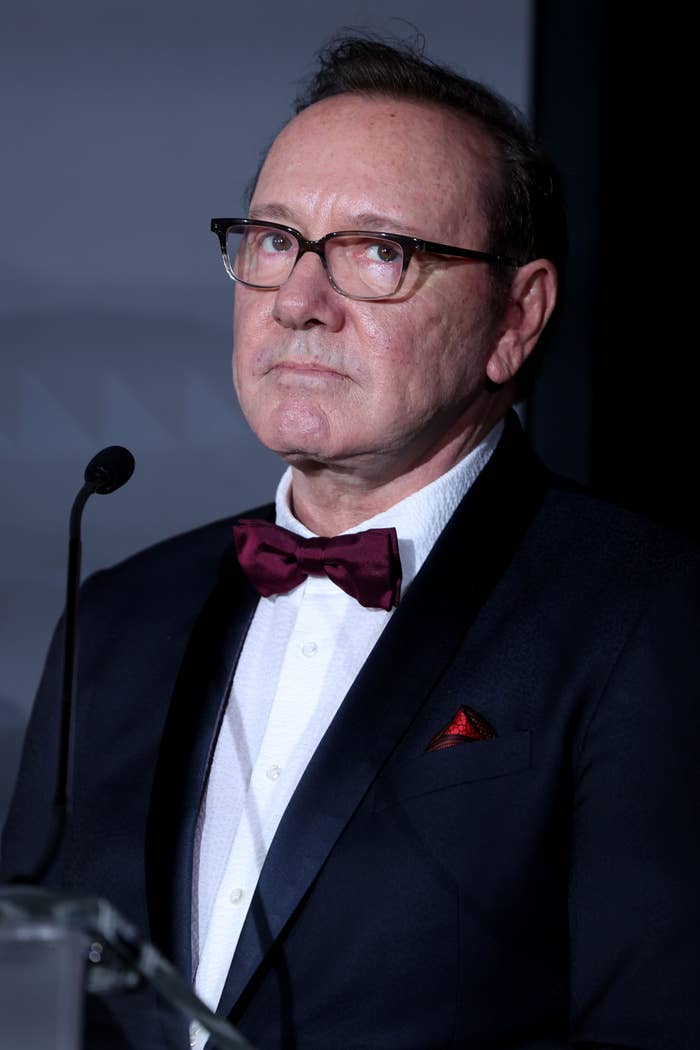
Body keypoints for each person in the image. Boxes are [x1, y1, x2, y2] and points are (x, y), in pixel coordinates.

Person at [2, 34, 699, 1050]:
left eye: (381, 253)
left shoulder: (641, 610)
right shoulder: (120, 613)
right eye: (276, 241)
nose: (298, 301)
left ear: (517, 315)